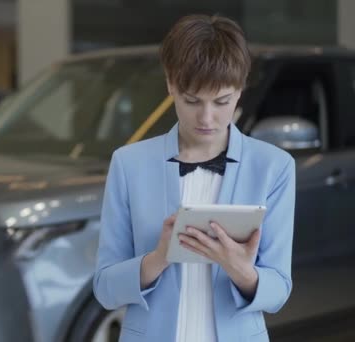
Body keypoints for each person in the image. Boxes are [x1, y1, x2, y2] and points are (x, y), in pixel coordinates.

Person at [92, 14, 295, 342]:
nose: (207, 117)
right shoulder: (129, 164)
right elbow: (105, 289)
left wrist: (240, 269)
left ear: (240, 90)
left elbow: (279, 292)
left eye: (222, 101)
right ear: (171, 84)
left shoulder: (274, 166)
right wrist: (158, 258)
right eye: (191, 101)